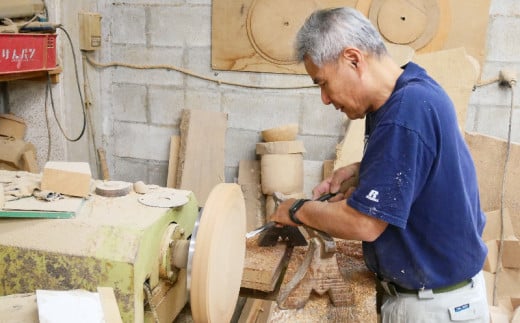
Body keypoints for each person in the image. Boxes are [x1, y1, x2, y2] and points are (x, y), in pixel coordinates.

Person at [269, 7, 489, 322]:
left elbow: (364, 224)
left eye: (322, 83)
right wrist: (363, 169)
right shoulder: (409, 90)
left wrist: (296, 209)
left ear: (353, 60)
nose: (325, 99)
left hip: (433, 309)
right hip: (433, 299)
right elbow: (423, 163)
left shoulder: (405, 113)